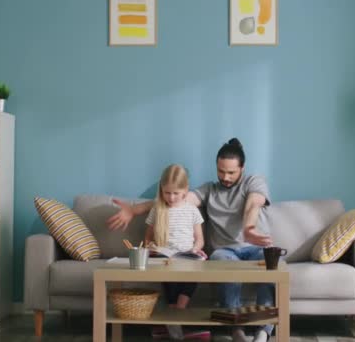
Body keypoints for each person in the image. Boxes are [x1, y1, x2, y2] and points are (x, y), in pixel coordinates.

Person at [108, 138, 273, 342]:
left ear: (242, 168)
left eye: (231, 172)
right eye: (221, 171)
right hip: (225, 251)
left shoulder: (254, 182)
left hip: (255, 244)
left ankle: (263, 331)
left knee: (272, 264)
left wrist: (248, 229)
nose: (225, 177)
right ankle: (236, 329)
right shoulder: (209, 190)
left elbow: (253, 204)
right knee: (222, 261)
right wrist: (133, 210)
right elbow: (173, 201)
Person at [144, 164, 206, 340]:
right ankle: (175, 326)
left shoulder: (192, 210)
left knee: (195, 274)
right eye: (167, 193)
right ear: (161, 190)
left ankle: (176, 316)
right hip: (165, 258)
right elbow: (147, 238)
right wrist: (152, 248)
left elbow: (200, 239)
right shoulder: (158, 209)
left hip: (186, 257)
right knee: (169, 276)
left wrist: (196, 249)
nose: (171, 197)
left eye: (176, 193)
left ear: (185, 191)